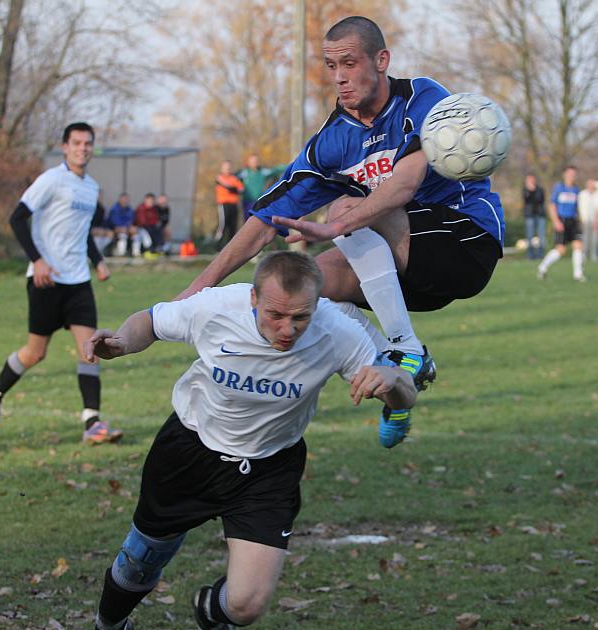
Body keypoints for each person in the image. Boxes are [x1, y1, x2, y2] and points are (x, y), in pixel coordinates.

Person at [67, 251, 417, 630]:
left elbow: (406, 396)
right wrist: (122, 341)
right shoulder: (218, 308)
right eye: (275, 315)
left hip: (269, 469)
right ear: (253, 298)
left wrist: (394, 383)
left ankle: (210, 613)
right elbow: (152, 321)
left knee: (247, 605)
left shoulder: (338, 331)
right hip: (190, 452)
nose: (287, 329)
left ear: (317, 304)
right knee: (139, 562)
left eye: (300, 318)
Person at [177, 16, 504, 448]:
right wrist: (198, 288)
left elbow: (403, 184)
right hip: (410, 268)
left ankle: (403, 345)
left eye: (349, 63)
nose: (340, 77)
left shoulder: (423, 98)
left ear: (381, 60)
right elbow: (263, 222)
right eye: (331, 66)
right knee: (312, 288)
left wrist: (335, 224)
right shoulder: (331, 143)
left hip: (465, 241)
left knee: (349, 205)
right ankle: (398, 373)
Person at [0, 122, 122, 444]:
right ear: (65, 147)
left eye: (88, 143)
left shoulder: (91, 187)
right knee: (35, 353)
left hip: (78, 282)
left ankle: (92, 424)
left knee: (90, 350)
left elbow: (82, 232)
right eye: (76, 143)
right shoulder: (51, 180)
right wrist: (37, 260)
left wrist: (97, 262)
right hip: (47, 281)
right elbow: (16, 218)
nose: (82, 148)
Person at [537, 165, 585, 281]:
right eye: (569, 174)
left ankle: (578, 274)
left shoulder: (576, 189)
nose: (572, 176)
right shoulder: (559, 188)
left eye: (574, 174)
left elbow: (579, 207)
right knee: (561, 250)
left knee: (578, 245)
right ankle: (542, 267)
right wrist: (556, 221)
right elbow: (552, 205)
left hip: (573, 221)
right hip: (562, 220)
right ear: (564, 175)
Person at [238, 153, 288, 218]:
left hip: (259, 202)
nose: (254, 162)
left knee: (259, 220)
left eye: (256, 161)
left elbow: (275, 170)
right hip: (247, 202)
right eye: (252, 161)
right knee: (247, 220)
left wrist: (288, 165)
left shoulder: (262, 171)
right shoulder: (244, 172)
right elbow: (233, 179)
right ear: (248, 162)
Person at [214, 161, 244, 249]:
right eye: (225, 167)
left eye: (228, 167)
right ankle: (218, 245)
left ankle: (230, 247)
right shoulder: (219, 177)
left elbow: (241, 189)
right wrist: (233, 189)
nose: (227, 169)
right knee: (222, 225)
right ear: (222, 168)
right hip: (223, 205)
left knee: (233, 226)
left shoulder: (234, 178)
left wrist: (234, 189)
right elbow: (228, 187)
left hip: (233, 205)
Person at [522, 173, 546, 260]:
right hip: (529, 215)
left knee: (541, 236)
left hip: (540, 215)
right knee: (529, 236)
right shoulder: (525, 190)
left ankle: (541, 255)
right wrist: (530, 191)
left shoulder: (540, 189)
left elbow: (540, 200)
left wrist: (534, 190)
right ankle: (530, 256)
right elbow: (527, 200)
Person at [577, 178, 598, 262]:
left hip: (596, 220)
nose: (591, 186)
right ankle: (584, 254)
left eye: (592, 184)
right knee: (585, 238)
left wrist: (596, 220)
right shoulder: (582, 194)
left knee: (595, 238)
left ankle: (594, 255)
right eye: (589, 184)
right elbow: (579, 208)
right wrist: (581, 219)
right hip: (585, 220)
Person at [107, 193, 136, 257]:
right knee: (122, 235)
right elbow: (114, 222)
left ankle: (136, 253)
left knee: (136, 234)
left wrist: (128, 228)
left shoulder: (129, 210)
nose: (125, 201)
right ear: (120, 199)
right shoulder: (114, 209)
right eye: (123, 199)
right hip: (115, 229)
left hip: (126, 229)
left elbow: (131, 221)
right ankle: (121, 254)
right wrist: (123, 228)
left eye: (126, 199)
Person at [132, 193, 160, 258]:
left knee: (157, 231)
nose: (151, 202)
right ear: (145, 200)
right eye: (149, 200)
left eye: (152, 200)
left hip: (150, 228)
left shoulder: (154, 209)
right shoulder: (141, 208)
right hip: (140, 228)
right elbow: (141, 222)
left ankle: (155, 250)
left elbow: (155, 220)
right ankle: (148, 250)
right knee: (145, 235)